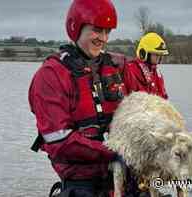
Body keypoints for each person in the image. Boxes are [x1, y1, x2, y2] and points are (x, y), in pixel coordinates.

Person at [28, 0, 128, 196]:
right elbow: (59, 142)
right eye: (97, 30)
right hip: (81, 182)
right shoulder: (50, 75)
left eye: (108, 31)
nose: (104, 38)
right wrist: (114, 150)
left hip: (119, 174)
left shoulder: (114, 66)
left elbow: (136, 111)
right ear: (76, 27)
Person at [124, 32, 169, 99]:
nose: (159, 57)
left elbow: (164, 97)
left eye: (160, 54)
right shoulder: (130, 70)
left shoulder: (157, 73)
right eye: (156, 54)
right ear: (144, 53)